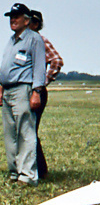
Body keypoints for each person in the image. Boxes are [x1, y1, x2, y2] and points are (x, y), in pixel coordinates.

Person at [0, 3, 46, 186]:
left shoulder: (34, 39)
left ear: (27, 21)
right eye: (11, 16)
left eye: (17, 16)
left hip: (23, 90)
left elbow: (39, 68)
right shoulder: (11, 40)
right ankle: (15, 172)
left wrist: (36, 92)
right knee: (10, 134)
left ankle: (27, 176)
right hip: (7, 91)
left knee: (25, 132)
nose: (13, 19)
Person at [27, 10, 62, 178]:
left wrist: (41, 83)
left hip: (36, 92)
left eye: (30, 22)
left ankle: (40, 170)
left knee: (30, 131)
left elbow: (56, 60)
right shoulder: (22, 42)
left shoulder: (40, 40)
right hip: (24, 91)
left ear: (36, 24)